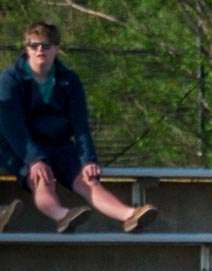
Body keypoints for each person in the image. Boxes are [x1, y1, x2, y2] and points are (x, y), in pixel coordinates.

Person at [0, 21, 156, 233]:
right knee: (43, 179)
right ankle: (62, 215)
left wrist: (88, 159)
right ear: (26, 48)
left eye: (46, 45)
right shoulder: (11, 80)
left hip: (58, 144)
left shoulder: (69, 80)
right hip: (24, 146)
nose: (39, 51)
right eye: (34, 45)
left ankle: (129, 215)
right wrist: (34, 159)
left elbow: (80, 124)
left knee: (87, 179)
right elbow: (12, 126)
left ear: (56, 48)